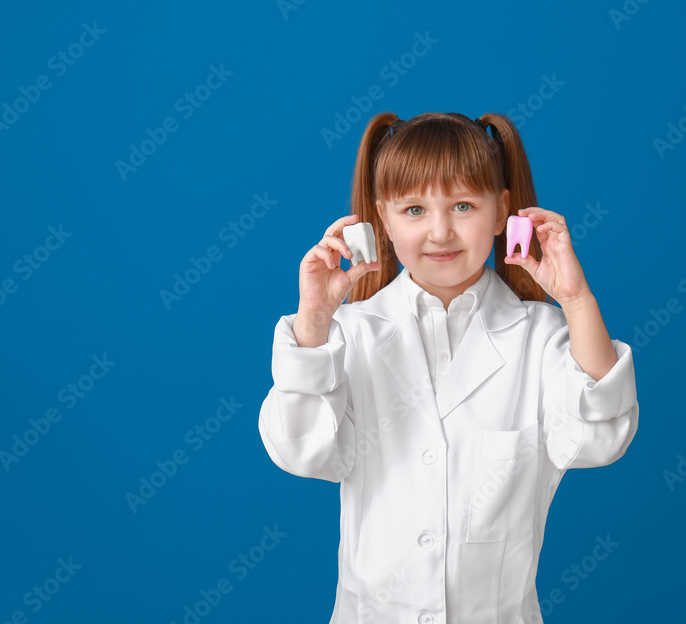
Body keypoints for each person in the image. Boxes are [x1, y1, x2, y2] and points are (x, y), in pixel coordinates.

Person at [257, 111, 639, 623]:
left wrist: (575, 300)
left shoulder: (541, 337)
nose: (440, 231)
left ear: (503, 211)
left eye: (463, 205)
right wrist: (314, 319)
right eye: (414, 209)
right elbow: (300, 451)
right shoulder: (347, 335)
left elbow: (601, 438)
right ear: (383, 221)